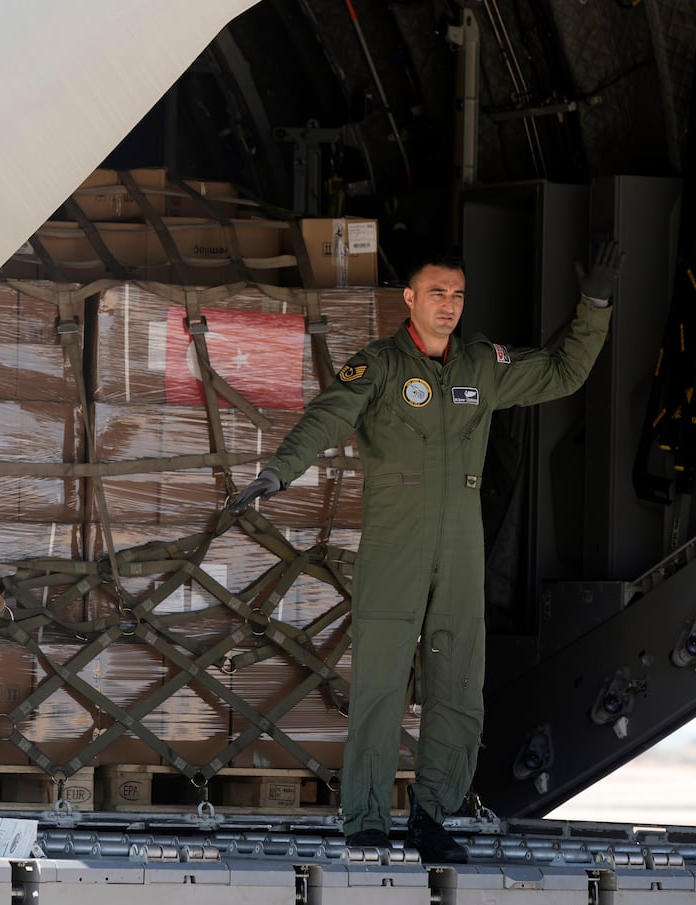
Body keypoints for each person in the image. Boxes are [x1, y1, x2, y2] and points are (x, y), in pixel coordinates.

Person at [229, 242, 622, 863]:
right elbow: (327, 418)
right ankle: (364, 819)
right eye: (437, 292)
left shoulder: (482, 364)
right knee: (381, 685)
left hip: (462, 543)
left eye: (458, 294)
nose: (449, 305)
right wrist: (278, 473)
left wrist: (594, 305)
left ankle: (433, 817)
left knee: (459, 684)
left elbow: (562, 373)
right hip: (396, 542)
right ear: (409, 299)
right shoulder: (380, 366)